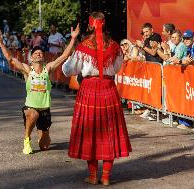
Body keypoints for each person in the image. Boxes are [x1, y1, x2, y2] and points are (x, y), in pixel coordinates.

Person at [62, 12, 131, 186]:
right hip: (108, 89)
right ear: (104, 24)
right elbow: (116, 68)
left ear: (90, 25)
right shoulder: (114, 46)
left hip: (89, 90)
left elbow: (69, 70)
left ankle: (93, 176)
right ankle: (106, 176)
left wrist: (67, 59)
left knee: (89, 132)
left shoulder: (83, 46)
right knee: (109, 133)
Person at [0, 24, 80, 154]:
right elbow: (10, 59)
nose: (39, 54)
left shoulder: (48, 69)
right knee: (33, 114)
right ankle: (26, 139)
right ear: (32, 57)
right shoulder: (28, 70)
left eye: (40, 52)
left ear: (43, 57)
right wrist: (1, 42)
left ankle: (43, 132)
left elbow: (63, 56)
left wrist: (73, 39)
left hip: (45, 109)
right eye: (36, 53)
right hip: (31, 108)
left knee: (44, 145)